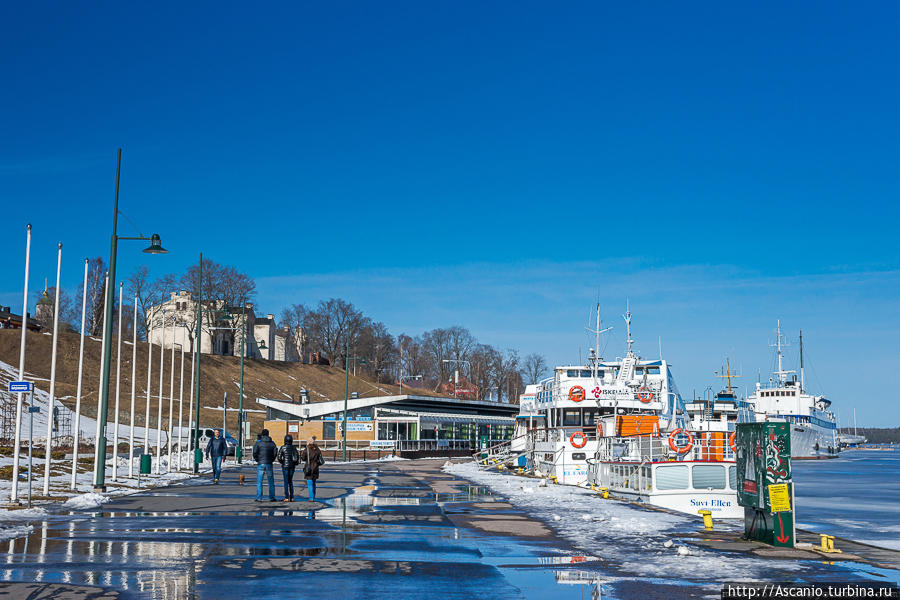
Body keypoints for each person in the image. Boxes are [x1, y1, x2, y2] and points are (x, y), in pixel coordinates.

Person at [252, 428, 277, 502]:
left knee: (259, 482)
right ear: (268, 434)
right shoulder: (272, 443)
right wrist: (272, 459)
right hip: (269, 463)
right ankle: (271, 497)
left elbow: (255, 452)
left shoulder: (259, 443)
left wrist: (257, 460)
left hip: (261, 463)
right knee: (271, 481)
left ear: (262, 435)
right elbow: (275, 453)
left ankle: (259, 497)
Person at [276, 434, 300, 501]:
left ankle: (286, 497)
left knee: (286, 482)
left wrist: (283, 462)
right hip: (292, 466)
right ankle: (292, 497)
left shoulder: (283, 447)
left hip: (285, 466)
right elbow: (296, 457)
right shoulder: (294, 448)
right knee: (290, 481)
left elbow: (279, 457)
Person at [299, 436, 323, 501]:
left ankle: (311, 497)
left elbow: (303, 458)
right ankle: (313, 496)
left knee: (309, 483)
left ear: (308, 442)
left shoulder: (306, 449)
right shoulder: (317, 449)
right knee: (314, 483)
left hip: (309, 468)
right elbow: (319, 458)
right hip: (315, 468)